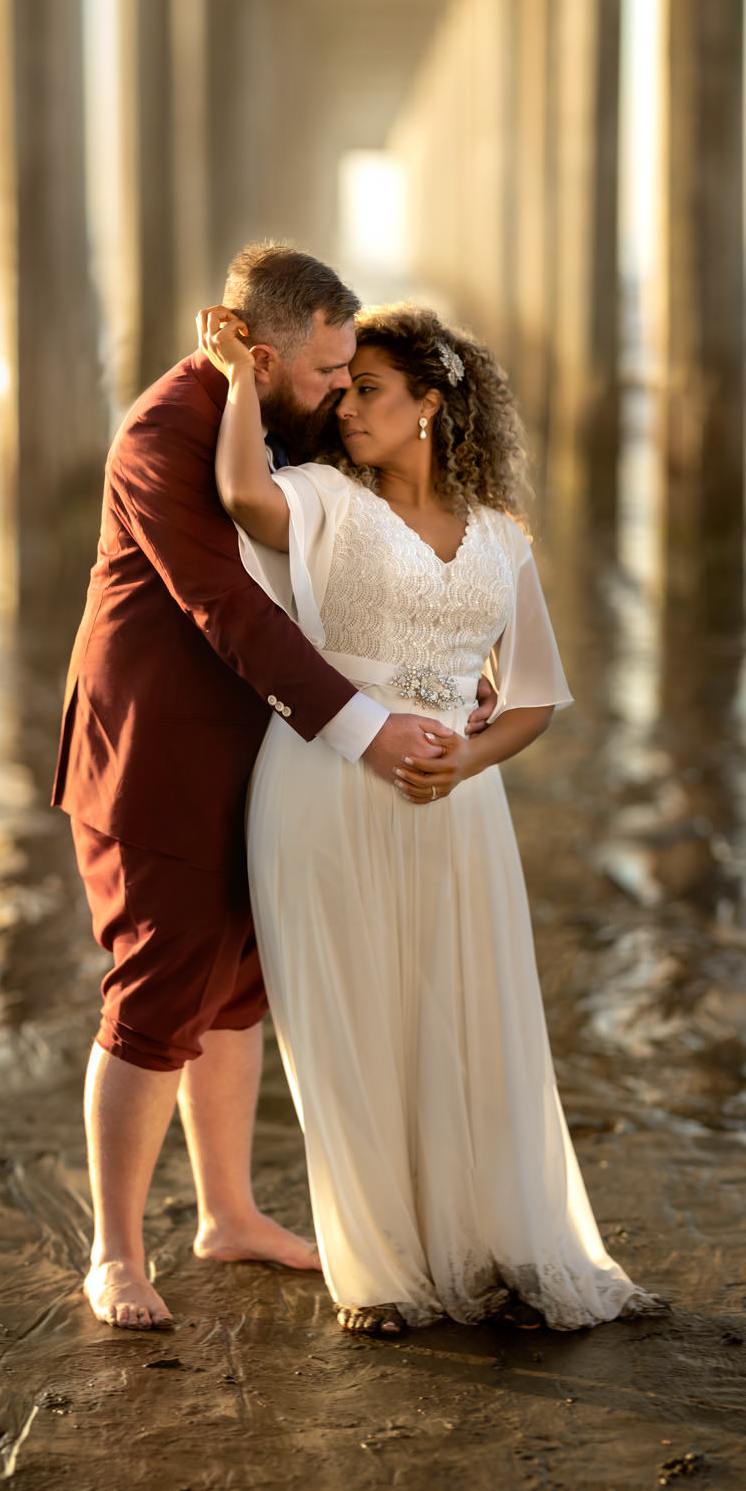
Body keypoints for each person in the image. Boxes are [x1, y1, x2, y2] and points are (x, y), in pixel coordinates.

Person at [202, 298, 660, 1334]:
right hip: (322, 786)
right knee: (348, 1024)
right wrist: (238, 371)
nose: (346, 406)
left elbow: (534, 692)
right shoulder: (319, 495)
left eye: (368, 390)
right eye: (342, 388)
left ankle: (491, 1236)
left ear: (430, 405)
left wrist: (469, 759)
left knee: (463, 1013)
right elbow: (236, 492)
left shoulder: (502, 537)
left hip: (458, 807)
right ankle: (379, 1274)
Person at [52, 242, 468, 1332]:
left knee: (238, 984)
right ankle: (115, 1253)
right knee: (156, 990)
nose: (341, 391)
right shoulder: (162, 432)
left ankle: (227, 1211)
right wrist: (369, 732)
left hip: (252, 753)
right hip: (153, 756)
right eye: (330, 370)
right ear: (265, 349)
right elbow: (226, 611)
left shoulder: (281, 420)